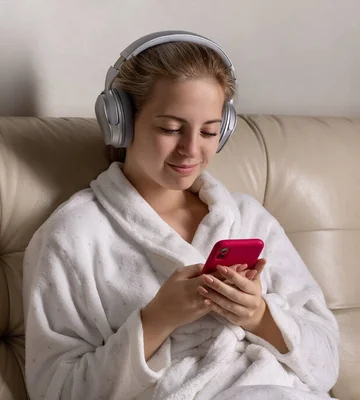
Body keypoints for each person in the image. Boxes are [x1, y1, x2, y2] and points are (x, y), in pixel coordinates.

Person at [22, 31, 339, 400]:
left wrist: (259, 316)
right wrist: (157, 319)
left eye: (209, 131)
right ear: (120, 121)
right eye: (170, 129)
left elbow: (328, 364)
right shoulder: (74, 234)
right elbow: (57, 391)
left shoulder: (247, 218)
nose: (191, 149)